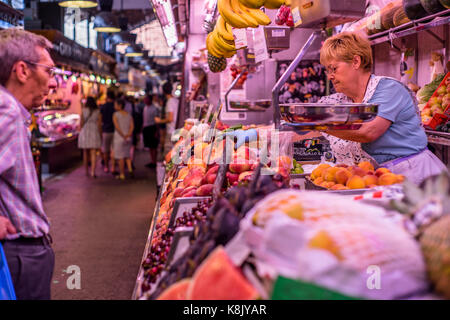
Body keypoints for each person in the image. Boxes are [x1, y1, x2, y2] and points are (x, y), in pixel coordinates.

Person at [315, 31, 447, 185]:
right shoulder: (341, 100)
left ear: (356, 62)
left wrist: (319, 124)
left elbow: (368, 131)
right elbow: (306, 129)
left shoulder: (389, 89)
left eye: (333, 69)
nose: (329, 76)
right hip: (378, 180)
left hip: (416, 177)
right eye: (327, 70)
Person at [0, 28, 56, 299]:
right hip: (20, 256)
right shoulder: (6, 110)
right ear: (22, 71)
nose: (54, 83)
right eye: (49, 71)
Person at [78, 96, 102, 178]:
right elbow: (99, 124)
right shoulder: (97, 111)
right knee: (93, 153)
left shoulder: (83, 110)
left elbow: (81, 123)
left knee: (85, 152)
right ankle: (93, 171)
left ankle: (86, 171)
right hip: (94, 131)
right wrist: (100, 134)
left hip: (85, 131)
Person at [112, 98, 134, 180]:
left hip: (119, 138)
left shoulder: (115, 114)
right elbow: (132, 126)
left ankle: (122, 174)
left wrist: (123, 135)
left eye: (115, 104)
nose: (114, 106)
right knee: (127, 155)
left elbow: (117, 127)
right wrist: (128, 135)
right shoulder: (128, 115)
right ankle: (130, 169)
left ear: (119, 105)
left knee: (120, 157)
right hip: (128, 137)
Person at [156, 82, 179, 153]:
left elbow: (170, 118)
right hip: (177, 130)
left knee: (168, 154)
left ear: (163, 91)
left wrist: (159, 121)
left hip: (171, 131)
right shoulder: (176, 100)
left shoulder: (169, 102)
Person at [100, 89, 116, 173]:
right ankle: (113, 167)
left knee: (105, 150)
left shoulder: (103, 106)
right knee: (113, 150)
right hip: (115, 131)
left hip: (106, 130)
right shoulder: (116, 106)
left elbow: (100, 119)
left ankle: (106, 167)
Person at [142, 95, 160, 168]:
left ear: (150, 100)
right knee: (149, 146)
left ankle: (154, 161)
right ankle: (152, 161)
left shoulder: (154, 108)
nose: (145, 100)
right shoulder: (145, 108)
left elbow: (157, 120)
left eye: (146, 99)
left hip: (152, 128)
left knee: (153, 146)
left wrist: (156, 131)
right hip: (146, 128)